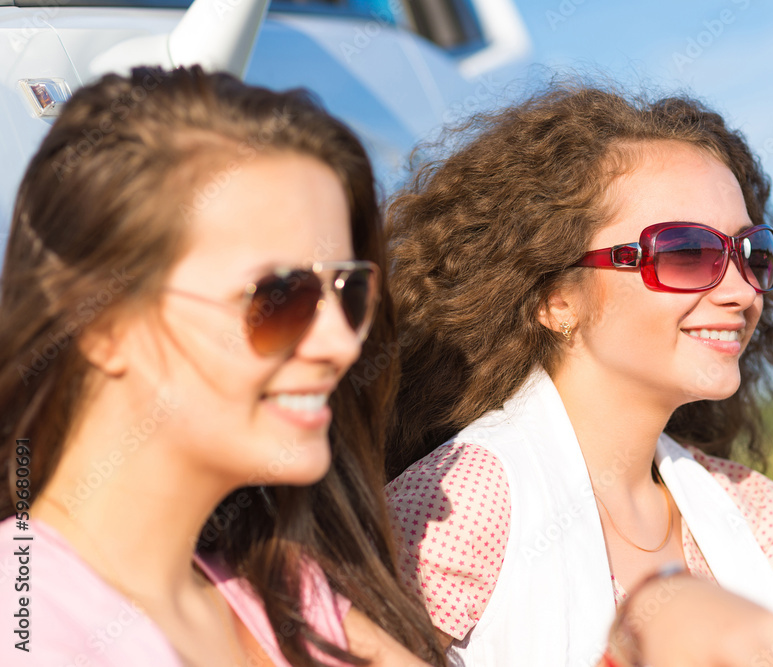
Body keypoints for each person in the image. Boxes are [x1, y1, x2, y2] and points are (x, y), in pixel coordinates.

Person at [384, 85, 773, 666]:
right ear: (555, 298)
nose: (739, 290)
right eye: (683, 253)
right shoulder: (462, 496)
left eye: (751, 252)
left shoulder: (737, 501)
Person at [0, 65, 446, 666]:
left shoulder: (279, 591)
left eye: (351, 291)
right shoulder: (27, 628)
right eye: (277, 297)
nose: (342, 342)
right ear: (102, 324)